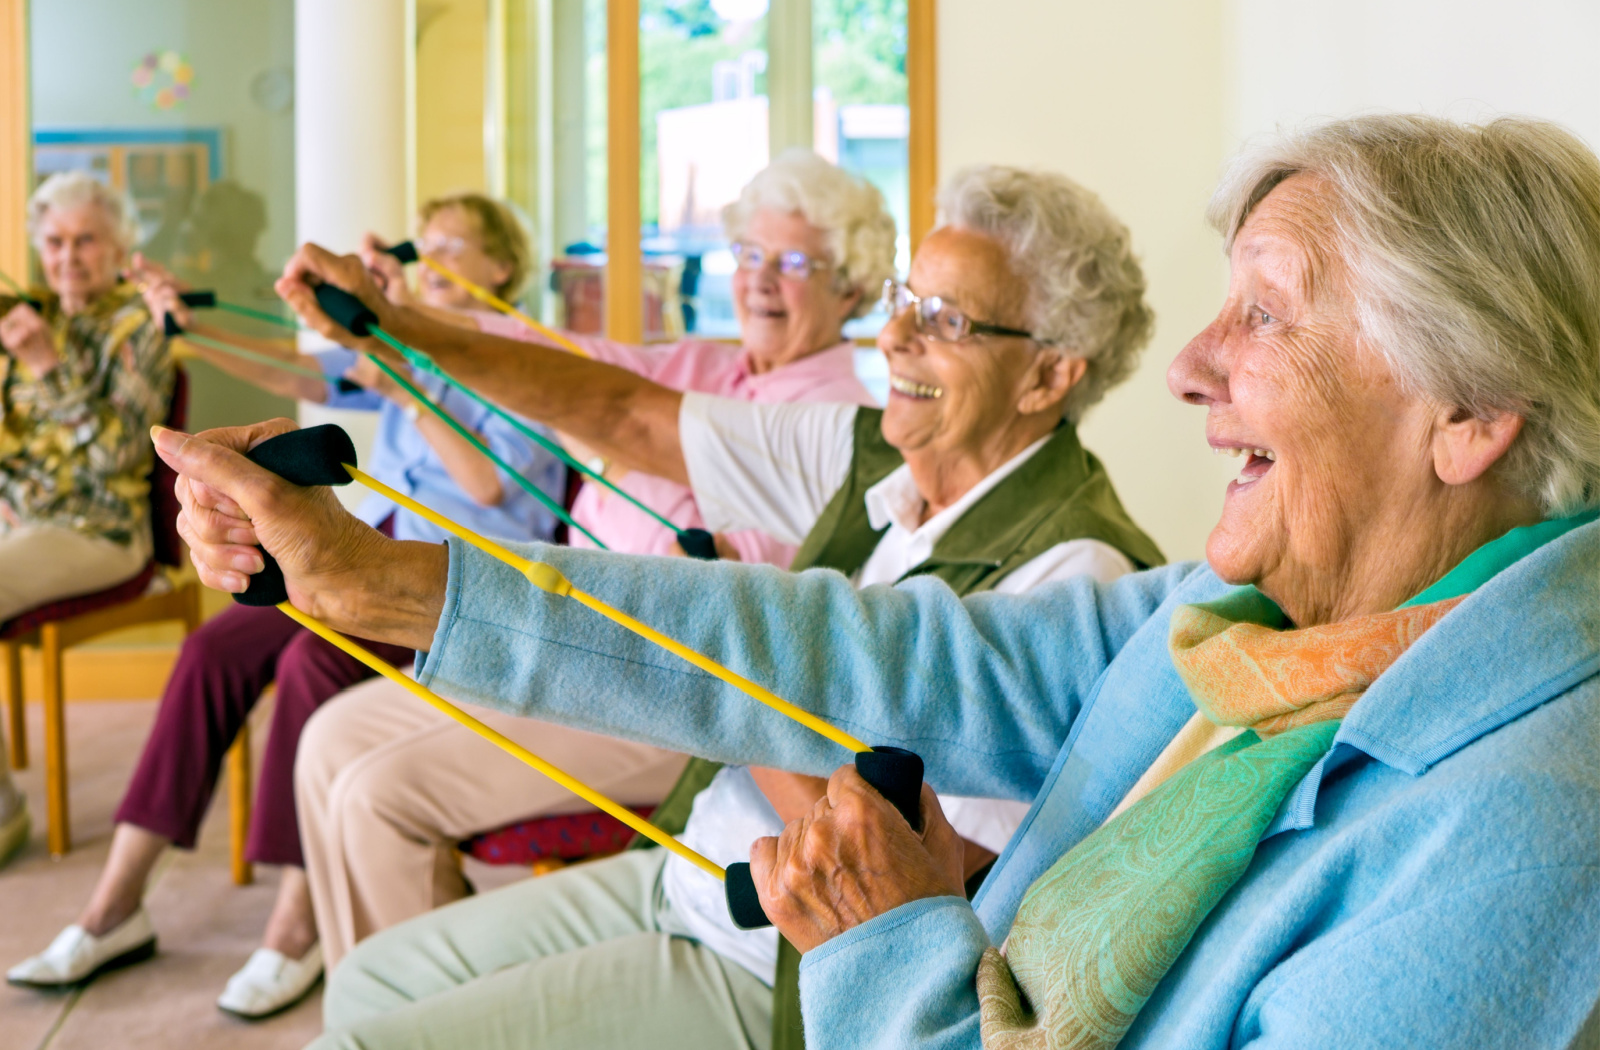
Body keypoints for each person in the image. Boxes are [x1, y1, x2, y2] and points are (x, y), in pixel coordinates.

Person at [172, 113, 1600, 1048]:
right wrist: (377, 580)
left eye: (1267, 316)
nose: (1191, 368)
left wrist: (899, 939)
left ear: (1466, 410)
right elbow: (844, 646)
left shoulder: (1521, 832)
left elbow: (902, 827)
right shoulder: (1241, 622)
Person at [291, 151, 897, 973]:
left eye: (793, 263)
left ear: (851, 287)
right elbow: (562, 365)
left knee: (373, 796)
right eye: (750, 255)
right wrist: (397, 318)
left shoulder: (837, 416)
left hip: (673, 695)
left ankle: (411, 1011)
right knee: (327, 741)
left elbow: (751, 587)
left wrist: (628, 450)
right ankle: (391, 1002)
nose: (760, 280)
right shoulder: (705, 367)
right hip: (563, 647)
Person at [6, 193, 566, 1021]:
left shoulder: (526, 360)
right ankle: (114, 905)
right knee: (213, 651)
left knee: (311, 663)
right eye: (429, 243)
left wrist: (405, 381)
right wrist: (185, 328)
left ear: (501, 268)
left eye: (457, 245)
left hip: (467, 587)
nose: (433, 257)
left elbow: (488, 487)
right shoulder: (410, 345)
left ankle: (294, 923)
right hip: (384, 553)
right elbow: (295, 373)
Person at [0, 172, 175, 873]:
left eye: (86, 240)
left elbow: (117, 456)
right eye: (54, 241)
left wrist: (45, 364)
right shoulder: (33, 313)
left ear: (118, 246)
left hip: (101, 530)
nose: (69, 256)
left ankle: (3, 817)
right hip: (22, 523)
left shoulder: (139, 326)